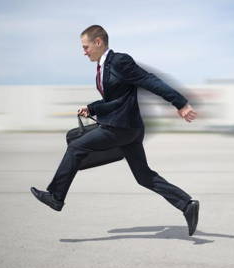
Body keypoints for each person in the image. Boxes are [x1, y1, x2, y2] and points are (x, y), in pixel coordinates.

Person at [30, 25, 200, 236]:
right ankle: (187, 205)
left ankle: (56, 196)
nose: (84, 52)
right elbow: (117, 101)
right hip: (129, 129)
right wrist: (92, 108)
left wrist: (180, 103)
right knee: (144, 176)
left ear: (98, 42)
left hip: (120, 128)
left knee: (75, 147)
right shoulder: (104, 68)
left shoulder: (120, 61)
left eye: (86, 47)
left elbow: (149, 81)